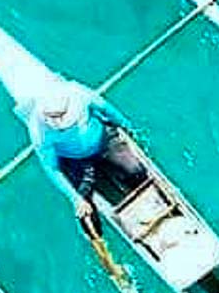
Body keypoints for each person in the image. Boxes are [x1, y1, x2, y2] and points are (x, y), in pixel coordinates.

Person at [28, 77, 147, 227]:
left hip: (105, 143)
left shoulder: (80, 94)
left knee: (136, 171)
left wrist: (128, 128)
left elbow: (106, 109)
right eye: (52, 117)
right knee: (87, 215)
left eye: (60, 115)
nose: (57, 122)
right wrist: (76, 199)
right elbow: (52, 168)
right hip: (76, 161)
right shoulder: (38, 132)